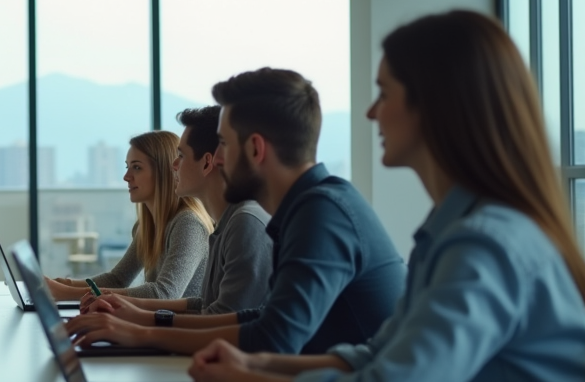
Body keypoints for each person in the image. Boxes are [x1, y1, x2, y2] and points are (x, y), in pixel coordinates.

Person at [189, 11, 585, 382]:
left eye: (384, 93)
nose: (371, 113)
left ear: (435, 107)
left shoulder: (485, 246)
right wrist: (257, 363)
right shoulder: (450, 232)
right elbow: (375, 356)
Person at [67, 69, 405, 355]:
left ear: (255, 149)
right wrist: (141, 318)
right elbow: (259, 317)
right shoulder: (305, 208)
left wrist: (142, 331)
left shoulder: (320, 214)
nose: (219, 160)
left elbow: (271, 338)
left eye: (224, 145)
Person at [80, 106, 272, 322]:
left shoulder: (242, 223)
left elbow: (221, 323)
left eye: (181, 155)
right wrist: (126, 304)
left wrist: (139, 328)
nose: (174, 165)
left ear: (208, 162)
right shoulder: (227, 223)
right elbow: (205, 304)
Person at [44, 130, 212, 302]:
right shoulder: (147, 227)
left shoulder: (188, 224)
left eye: (137, 167)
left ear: (164, 172)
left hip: (180, 328)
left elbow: (164, 294)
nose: (126, 177)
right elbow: (117, 279)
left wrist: (66, 293)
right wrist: (65, 284)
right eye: (127, 167)